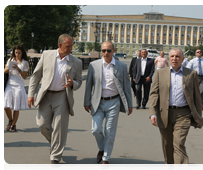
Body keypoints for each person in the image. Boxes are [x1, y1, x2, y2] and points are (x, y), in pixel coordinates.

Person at [27, 34, 82, 168]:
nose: (70, 49)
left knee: (59, 127)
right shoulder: (47, 55)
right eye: (68, 46)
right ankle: (56, 143)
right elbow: (36, 75)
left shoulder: (76, 62)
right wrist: (30, 94)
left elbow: (79, 81)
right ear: (60, 45)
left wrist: (72, 83)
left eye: (71, 46)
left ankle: (55, 156)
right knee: (41, 124)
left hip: (62, 96)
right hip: (46, 95)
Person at [149, 48, 203, 170]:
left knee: (179, 143)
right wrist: (153, 113)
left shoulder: (191, 74)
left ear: (183, 59)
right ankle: (170, 167)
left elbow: (197, 98)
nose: (175, 59)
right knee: (167, 144)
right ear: (169, 58)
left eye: (177, 56)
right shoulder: (160, 73)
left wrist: (197, 118)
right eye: (172, 56)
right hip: (164, 114)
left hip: (183, 114)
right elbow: (154, 94)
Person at [84, 41, 132, 169]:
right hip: (97, 102)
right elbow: (89, 85)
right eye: (103, 50)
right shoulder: (94, 65)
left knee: (110, 131)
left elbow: (127, 86)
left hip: (114, 102)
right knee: (95, 129)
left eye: (109, 50)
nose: (106, 53)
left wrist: (130, 104)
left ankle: (106, 158)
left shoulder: (121, 66)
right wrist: (86, 102)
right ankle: (101, 148)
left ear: (113, 51)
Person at [4, 44, 29, 132]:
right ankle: (10, 120)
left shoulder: (25, 63)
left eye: (19, 53)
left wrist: (18, 69)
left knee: (16, 106)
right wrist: (9, 68)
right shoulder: (10, 60)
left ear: (22, 53)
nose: (17, 54)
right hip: (10, 84)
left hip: (19, 85)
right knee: (6, 105)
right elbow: (4, 71)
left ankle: (14, 124)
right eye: (15, 52)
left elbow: (25, 76)